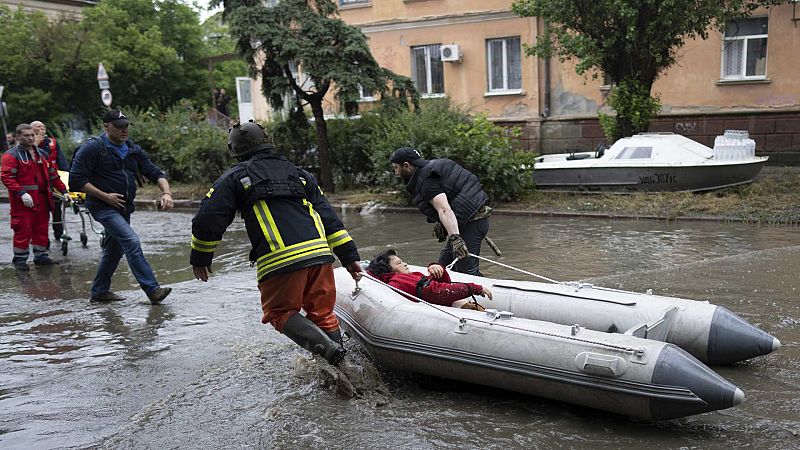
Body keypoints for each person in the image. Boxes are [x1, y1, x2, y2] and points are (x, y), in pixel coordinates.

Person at [190, 120, 362, 366]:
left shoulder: (236, 178)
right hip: (321, 256)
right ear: (268, 142)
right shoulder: (300, 173)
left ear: (234, 150)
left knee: (279, 313)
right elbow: (329, 218)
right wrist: (349, 257)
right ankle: (345, 368)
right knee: (322, 313)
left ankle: (332, 354)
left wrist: (200, 257)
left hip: (280, 260)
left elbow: (208, 217)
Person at [69, 109, 173, 304]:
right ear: (106, 126)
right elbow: (75, 181)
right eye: (119, 127)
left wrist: (166, 192)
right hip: (102, 207)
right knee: (131, 241)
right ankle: (152, 290)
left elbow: (155, 172)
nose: (124, 130)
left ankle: (100, 291)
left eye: (126, 126)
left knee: (114, 249)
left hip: (124, 207)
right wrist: (105, 196)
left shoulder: (132, 148)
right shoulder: (92, 148)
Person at [390, 147, 491, 276]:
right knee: (441, 269)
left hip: (472, 223)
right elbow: (451, 196)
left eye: (396, 167)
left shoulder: (426, 180)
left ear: (406, 165)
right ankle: (439, 291)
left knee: (466, 273)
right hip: (467, 222)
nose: (395, 172)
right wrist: (443, 224)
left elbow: (444, 209)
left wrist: (455, 239)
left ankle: (482, 292)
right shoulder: (429, 169)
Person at [1, 124, 69, 270]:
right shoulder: (11, 156)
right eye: (27, 135)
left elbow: (53, 174)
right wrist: (21, 193)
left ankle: (41, 255)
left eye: (32, 135)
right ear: (18, 137)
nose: (31, 138)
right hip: (23, 202)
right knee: (23, 229)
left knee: (41, 228)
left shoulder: (42, 154)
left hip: (43, 199)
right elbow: (7, 177)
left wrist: (64, 191)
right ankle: (20, 259)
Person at [367, 249, 491, 309]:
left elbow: (443, 286)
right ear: (389, 271)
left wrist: (439, 271)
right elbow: (435, 292)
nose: (405, 264)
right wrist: (474, 288)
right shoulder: (399, 281)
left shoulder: (410, 276)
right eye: (399, 263)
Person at [31, 120, 70, 242]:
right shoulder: (27, 144)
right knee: (38, 212)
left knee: (57, 208)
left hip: (53, 179)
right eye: (38, 127)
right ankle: (39, 238)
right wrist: (36, 143)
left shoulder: (52, 142)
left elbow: (61, 161)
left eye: (43, 127)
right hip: (34, 182)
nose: (42, 129)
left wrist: (67, 178)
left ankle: (59, 234)